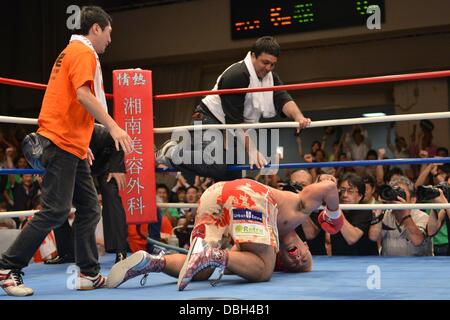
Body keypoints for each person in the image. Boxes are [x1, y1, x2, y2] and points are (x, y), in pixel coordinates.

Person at [0, 6, 133, 297]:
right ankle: (8, 267)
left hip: (71, 144)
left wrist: (83, 143)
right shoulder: (84, 52)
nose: (110, 40)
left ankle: (88, 272)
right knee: (56, 210)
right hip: (60, 143)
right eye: (109, 33)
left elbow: (68, 100)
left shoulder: (70, 52)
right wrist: (112, 126)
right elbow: (83, 95)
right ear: (96, 29)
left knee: (88, 207)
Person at [105, 178, 343, 291]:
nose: (299, 259)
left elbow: (240, 258)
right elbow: (329, 186)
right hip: (247, 195)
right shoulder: (297, 209)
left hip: (216, 193)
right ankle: (211, 255)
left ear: (280, 255)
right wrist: (334, 216)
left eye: (294, 264)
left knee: (200, 267)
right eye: (304, 257)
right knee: (262, 271)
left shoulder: (259, 243)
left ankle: (153, 262)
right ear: (305, 244)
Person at [156, 36, 311, 182]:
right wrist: (252, 150)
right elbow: (234, 122)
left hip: (229, 127)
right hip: (208, 119)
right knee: (216, 166)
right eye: (265, 62)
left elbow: (283, 98)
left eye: (272, 64)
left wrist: (299, 117)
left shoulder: (270, 78)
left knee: (232, 176)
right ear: (253, 56)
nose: (268, 68)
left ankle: (224, 209)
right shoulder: (237, 75)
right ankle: (171, 152)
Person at [45, 124, 129, 265]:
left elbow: (117, 139)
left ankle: (121, 251)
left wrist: (116, 168)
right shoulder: (58, 135)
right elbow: (50, 155)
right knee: (57, 197)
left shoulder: (98, 132)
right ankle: (67, 252)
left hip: (104, 164)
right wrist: (44, 169)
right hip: (76, 166)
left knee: (111, 194)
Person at [369, 176, 432, 256]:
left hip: (417, 266)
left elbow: (417, 240)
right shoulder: (385, 215)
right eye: (394, 192)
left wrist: (405, 215)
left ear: (413, 200)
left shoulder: (422, 216)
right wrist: (377, 215)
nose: (397, 197)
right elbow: (373, 237)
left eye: (400, 193)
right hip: (390, 265)